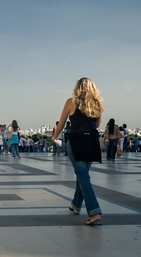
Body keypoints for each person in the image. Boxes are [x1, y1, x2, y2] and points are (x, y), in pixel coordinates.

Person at [52, 77, 104, 226]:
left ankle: (94, 212)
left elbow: (61, 124)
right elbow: (97, 124)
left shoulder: (71, 102)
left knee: (82, 176)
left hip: (76, 141)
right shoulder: (98, 103)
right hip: (91, 141)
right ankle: (76, 205)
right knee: (83, 175)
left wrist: (54, 137)